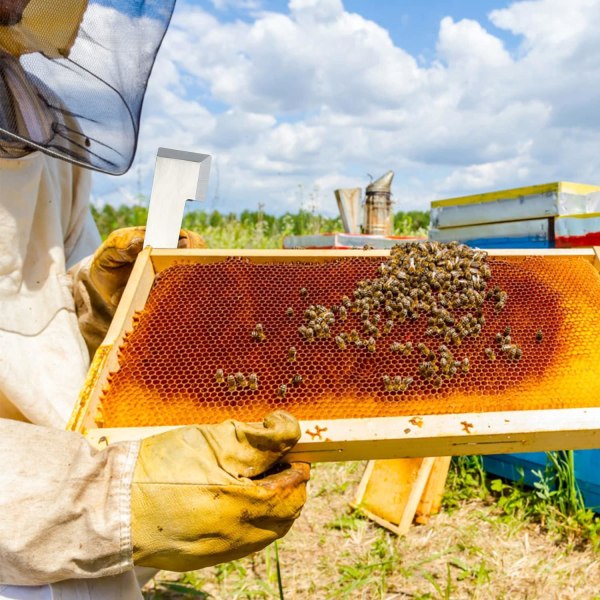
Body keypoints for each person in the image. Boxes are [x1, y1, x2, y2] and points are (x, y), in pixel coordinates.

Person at [0, 2, 309, 599]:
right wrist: (111, 498)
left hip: (67, 514)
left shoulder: (35, 112)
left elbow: (36, 309)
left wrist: (99, 298)